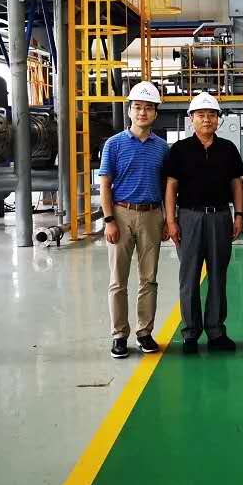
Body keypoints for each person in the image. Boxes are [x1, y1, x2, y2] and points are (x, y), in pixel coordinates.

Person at [165, 92, 243, 355]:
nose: (207, 119)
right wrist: (171, 220)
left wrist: (239, 214)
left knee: (218, 275)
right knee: (189, 277)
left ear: (218, 119)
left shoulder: (228, 149)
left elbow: (236, 183)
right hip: (189, 217)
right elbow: (171, 186)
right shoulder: (180, 150)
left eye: (212, 115)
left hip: (220, 216)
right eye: (201, 115)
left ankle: (216, 332)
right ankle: (190, 333)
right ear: (191, 119)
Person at [99, 81, 169, 359]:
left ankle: (144, 332)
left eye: (148, 108)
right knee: (118, 280)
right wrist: (109, 220)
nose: (142, 112)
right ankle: (119, 335)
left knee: (149, 279)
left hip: (152, 215)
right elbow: (105, 185)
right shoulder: (114, 144)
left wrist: (166, 218)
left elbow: (166, 186)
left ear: (155, 113)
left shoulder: (162, 148)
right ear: (129, 111)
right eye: (138, 107)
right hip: (121, 213)